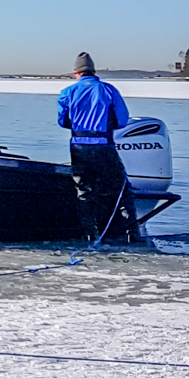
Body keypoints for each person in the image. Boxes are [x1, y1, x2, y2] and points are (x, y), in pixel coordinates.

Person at [58, 52, 137, 243]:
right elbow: (122, 120)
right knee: (120, 189)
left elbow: (63, 121)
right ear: (93, 71)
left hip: (78, 148)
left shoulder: (67, 93)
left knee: (84, 191)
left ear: (76, 72)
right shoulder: (109, 90)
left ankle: (89, 235)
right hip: (103, 146)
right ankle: (129, 234)